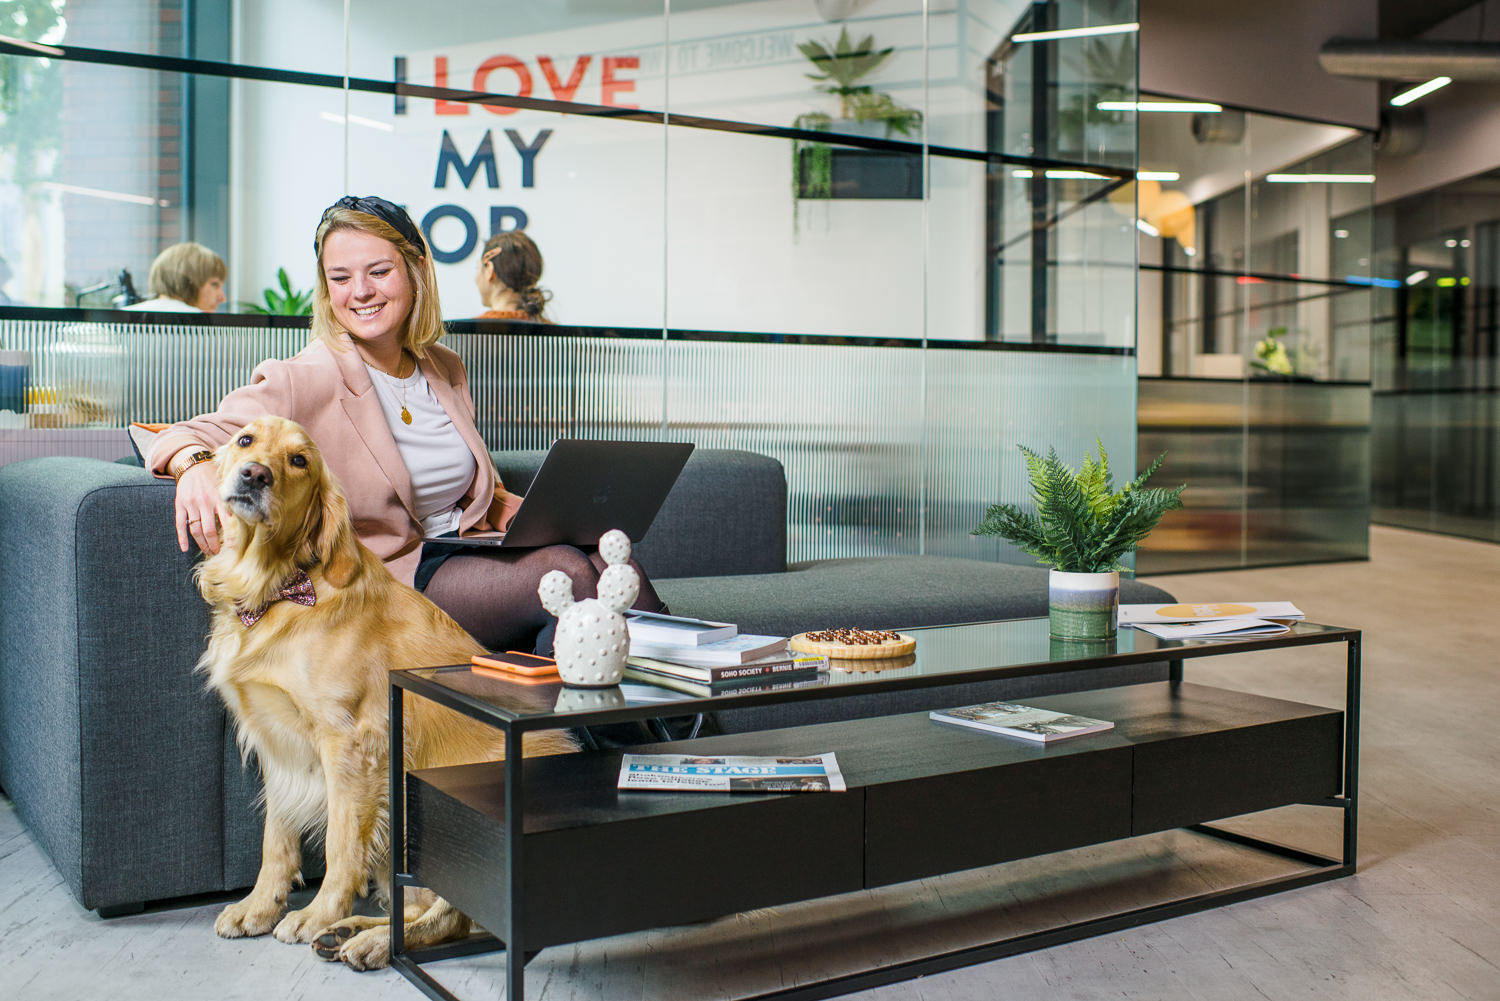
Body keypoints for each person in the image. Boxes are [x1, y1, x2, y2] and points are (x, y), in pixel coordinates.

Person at [149, 195, 664, 653]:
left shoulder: (443, 367)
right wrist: (193, 465)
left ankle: (668, 744)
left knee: (615, 565)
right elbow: (184, 432)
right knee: (566, 573)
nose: (360, 292)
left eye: (378, 271)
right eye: (341, 277)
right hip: (391, 577)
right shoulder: (305, 377)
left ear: (415, 271)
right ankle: (649, 747)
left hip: (467, 550)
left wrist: (539, 515)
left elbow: (466, 493)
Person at [124, 241, 227, 313]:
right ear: (186, 282)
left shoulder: (119, 324)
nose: (222, 298)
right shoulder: (205, 329)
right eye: (214, 284)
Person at [473, 229, 551, 321]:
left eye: (478, 268)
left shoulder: (469, 331)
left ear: (490, 270)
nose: (476, 278)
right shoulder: (554, 333)